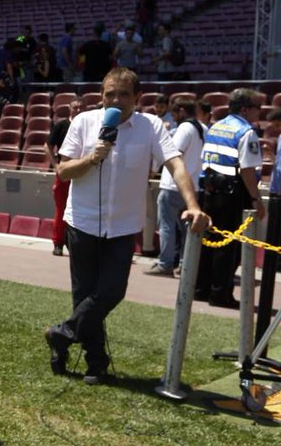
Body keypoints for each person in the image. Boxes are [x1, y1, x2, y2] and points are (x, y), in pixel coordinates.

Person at [44, 69, 209, 384]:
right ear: (101, 95)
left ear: (137, 98)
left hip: (123, 226)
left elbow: (176, 165)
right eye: (110, 94)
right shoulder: (84, 122)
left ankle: (61, 334)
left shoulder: (151, 126)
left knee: (111, 291)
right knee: (85, 296)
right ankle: (96, 364)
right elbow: (63, 171)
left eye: (123, 94)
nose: (115, 100)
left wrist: (193, 205)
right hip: (82, 222)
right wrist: (92, 158)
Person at [195, 89, 266, 308]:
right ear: (244, 109)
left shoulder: (216, 126)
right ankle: (220, 295)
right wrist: (256, 200)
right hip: (232, 193)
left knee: (208, 243)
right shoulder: (246, 132)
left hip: (210, 190)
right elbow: (247, 170)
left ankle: (200, 289)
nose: (260, 112)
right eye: (256, 108)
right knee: (229, 247)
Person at [145, 98, 204, 277]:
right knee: (186, 230)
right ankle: (185, 264)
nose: (173, 116)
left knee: (167, 226)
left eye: (175, 113)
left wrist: (153, 169)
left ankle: (165, 263)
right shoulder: (202, 127)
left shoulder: (184, 128)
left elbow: (172, 155)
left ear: (182, 111)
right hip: (193, 186)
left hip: (173, 185)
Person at [48, 99, 83, 256]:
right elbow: (47, 146)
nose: (78, 110)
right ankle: (58, 243)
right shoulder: (61, 125)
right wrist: (56, 166)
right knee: (61, 209)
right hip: (65, 173)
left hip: (83, 172)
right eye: (75, 107)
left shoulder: (87, 126)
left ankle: (76, 244)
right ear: (70, 108)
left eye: (81, 107)